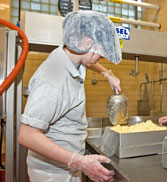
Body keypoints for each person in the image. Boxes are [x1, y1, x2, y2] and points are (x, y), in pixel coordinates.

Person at [18, 10, 122, 182]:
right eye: (102, 52)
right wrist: (80, 162)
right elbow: (27, 134)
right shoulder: (53, 77)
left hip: (66, 165)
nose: (102, 58)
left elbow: (89, 61)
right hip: (52, 173)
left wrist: (107, 74)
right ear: (88, 43)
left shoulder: (72, 59)